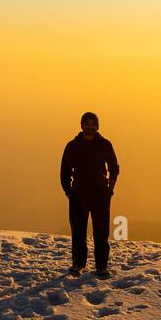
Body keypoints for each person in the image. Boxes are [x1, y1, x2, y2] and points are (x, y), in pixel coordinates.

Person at [60, 111, 119, 277]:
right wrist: (69, 192)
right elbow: (64, 170)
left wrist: (109, 190)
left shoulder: (105, 144)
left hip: (100, 194)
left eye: (93, 124)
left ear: (97, 126)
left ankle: (101, 266)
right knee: (78, 233)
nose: (90, 127)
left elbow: (114, 168)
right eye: (87, 124)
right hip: (78, 194)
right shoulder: (72, 145)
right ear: (82, 125)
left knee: (101, 233)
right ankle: (78, 264)